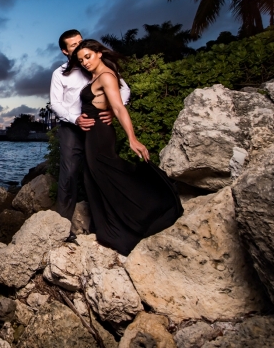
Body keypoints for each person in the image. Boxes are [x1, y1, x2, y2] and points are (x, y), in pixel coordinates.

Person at [64, 39, 182, 255]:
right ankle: (108, 228)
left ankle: (146, 213)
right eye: (81, 60)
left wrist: (132, 138)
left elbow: (118, 107)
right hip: (92, 134)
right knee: (93, 179)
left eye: (88, 57)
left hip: (100, 134)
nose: (85, 63)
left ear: (99, 53)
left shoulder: (107, 76)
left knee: (110, 174)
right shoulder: (96, 76)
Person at [49, 30, 130, 238]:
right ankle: (63, 228)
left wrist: (112, 109)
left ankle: (101, 224)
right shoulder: (60, 73)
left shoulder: (94, 65)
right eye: (73, 45)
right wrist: (74, 118)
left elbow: (124, 90)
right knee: (68, 175)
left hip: (97, 128)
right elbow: (56, 103)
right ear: (65, 51)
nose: (79, 47)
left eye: (80, 42)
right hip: (72, 128)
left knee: (97, 174)